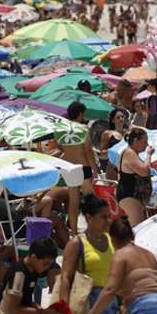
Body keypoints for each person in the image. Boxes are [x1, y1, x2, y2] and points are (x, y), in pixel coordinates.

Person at [71, 217, 157, 314]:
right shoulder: (149, 254)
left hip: (145, 306)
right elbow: (148, 283)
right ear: (132, 236)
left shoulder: (120, 255)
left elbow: (110, 289)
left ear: (112, 240)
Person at [59, 195, 117, 314]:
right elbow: (65, 277)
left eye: (109, 216)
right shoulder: (76, 243)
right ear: (89, 217)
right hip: (86, 299)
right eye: (103, 217)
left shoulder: (112, 240)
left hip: (109, 298)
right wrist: (64, 308)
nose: (108, 221)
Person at [0, 237, 61, 314]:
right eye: (45, 264)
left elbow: (25, 300)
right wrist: (42, 313)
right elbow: (12, 309)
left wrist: (42, 310)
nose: (47, 268)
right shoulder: (19, 274)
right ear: (33, 257)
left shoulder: (34, 269)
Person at [62, 101, 99, 236]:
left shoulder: (61, 129)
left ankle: (74, 231)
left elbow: (62, 148)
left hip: (68, 167)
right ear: (80, 113)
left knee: (74, 201)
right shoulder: (82, 128)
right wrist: (94, 168)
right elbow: (88, 150)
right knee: (91, 200)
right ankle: (92, 228)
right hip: (82, 166)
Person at [116, 128, 154, 226]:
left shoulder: (131, 153)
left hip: (132, 195)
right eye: (144, 141)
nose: (146, 145)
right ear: (136, 140)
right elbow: (144, 171)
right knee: (136, 229)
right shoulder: (129, 153)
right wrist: (149, 155)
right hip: (130, 195)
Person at [100, 109, 128, 179]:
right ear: (113, 120)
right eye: (118, 117)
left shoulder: (127, 133)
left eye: (122, 116)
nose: (121, 119)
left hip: (126, 167)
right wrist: (115, 150)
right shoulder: (108, 133)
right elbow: (102, 153)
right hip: (112, 168)